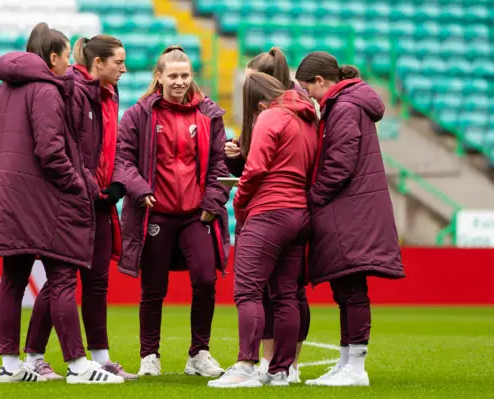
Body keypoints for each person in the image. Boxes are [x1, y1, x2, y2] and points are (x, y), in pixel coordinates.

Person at [0, 22, 123, 384]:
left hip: (9, 200)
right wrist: (79, 187)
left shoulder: (1, 91)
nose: (67, 65)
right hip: (45, 203)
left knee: (11, 281)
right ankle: (78, 366)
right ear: (54, 56)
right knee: (62, 279)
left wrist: (14, 180)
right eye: (65, 55)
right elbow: (51, 152)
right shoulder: (46, 91)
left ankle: (10, 367)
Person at [112, 45, 231, 377]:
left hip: (198, 214)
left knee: (206, 280)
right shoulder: (139, 114)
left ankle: (199, 353)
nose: (180, 82)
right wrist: (139, 189)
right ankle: (150, 356)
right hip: (156, 213)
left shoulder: (210, 114)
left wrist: (212, 203)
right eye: (173, 76)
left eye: (185, 75)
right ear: (159, 77)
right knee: (153, 289)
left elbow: (220, 165)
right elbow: (122, 160)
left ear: (192, 76)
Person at [23, 34, 136, 380]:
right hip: (73, 199)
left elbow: (110, 146)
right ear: (97, 63)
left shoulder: (110, 92)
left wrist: (115, 183)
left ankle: (101, 358)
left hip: (101, 199)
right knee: (63, 280)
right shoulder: (70, 89)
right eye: (119, 62)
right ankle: (33, 357)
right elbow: (69, 148)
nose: (124, 69)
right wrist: (88, 185)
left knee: (97, 282)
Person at [295, 51, 406, 387]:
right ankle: (346, 363)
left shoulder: (343, 107)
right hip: (352, 209)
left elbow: (339, 164)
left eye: (308, 89)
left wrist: (313, 198)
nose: (309, 97)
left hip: (350, 211)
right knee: (345, 289)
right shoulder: (348, 103)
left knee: (352, 290)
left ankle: (355, 368)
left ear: (319, 81)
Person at [223, 47, 310, 383]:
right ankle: (282, 370)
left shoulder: (270, 117)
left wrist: (241, 204)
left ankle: (246, 366)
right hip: (298, 213)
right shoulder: (306, 115)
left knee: (247, 292)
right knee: (288, 293)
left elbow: (256, 169)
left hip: (268, 212)